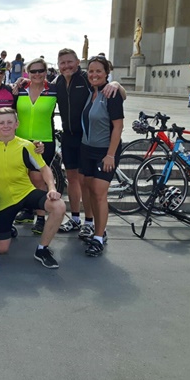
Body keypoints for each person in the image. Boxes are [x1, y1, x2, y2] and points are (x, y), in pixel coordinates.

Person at [49, 48, 125, 239]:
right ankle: (75, 218)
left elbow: (118, 93)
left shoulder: (86, 79)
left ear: (77, 63)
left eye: (69, 62)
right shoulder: (57, 82)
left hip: (86, 139)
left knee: (87, 184)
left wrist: (116, 83)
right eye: (62, 63)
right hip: (68, 137)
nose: (66, 66)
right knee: (72, 180)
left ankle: (89, 222)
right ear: (58, 66)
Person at [0, 108, 66, 269]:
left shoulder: (27, 146)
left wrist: (51, 188)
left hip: (26, 193)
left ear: (17, 124)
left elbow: (44, 169)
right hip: (4, 202)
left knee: (59, 206)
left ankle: (42, 249)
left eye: (10, 122)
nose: (6, 126)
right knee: (2, 249)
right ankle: (8, 227)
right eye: (1, 123)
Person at [79, 56, 124, 257]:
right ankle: (99, 229)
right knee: (88, 188)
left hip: (105, 150)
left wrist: (110, 155)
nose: (94, 74)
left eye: (99, 71)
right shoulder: (92, 92)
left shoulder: (110, 93)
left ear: (107, 73)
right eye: (91, 71)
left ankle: (98, 238)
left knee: (99, 192)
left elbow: (118, 126)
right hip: (87, 148)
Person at [12, 57, 58, 234]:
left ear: (46, 72)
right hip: (21, 141)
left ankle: (40, 217)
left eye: (41, 71)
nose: (37, 74)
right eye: (33, 71)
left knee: (39, 180)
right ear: (27, 73)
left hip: (44, 141)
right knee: (24, 178)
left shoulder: (53, 90)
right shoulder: (20, 89)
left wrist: (114, 84)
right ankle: (28, 211)